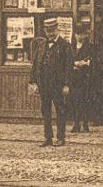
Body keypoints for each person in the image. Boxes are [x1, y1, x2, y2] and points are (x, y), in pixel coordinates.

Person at [28, 16, 72, 146]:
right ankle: (47, 137)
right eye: (47, 31)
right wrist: (33, 81)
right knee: (45, 111)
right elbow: (35, 64)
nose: (50, 34)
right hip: (44, 84)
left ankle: (60, 137)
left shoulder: (65, 46)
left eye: (52, 30)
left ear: (57, 30)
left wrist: (66, 84)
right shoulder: (41, 45)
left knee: (60, 111)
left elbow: (69, 67)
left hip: (58, 85)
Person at [67, 17, 97, 133]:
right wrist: (73, 64)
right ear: (74, 35)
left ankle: (85, 123)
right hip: (73, 78)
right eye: (77, 34)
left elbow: (93, 61)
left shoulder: (90, 47)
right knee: (74, 100)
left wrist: (85, 64)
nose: (79, 36)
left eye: (82, 34)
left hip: (85, 77)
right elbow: (66, 61)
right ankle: (76, 123)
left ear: (85, 35)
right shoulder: (70, 47)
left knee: (85, 100)